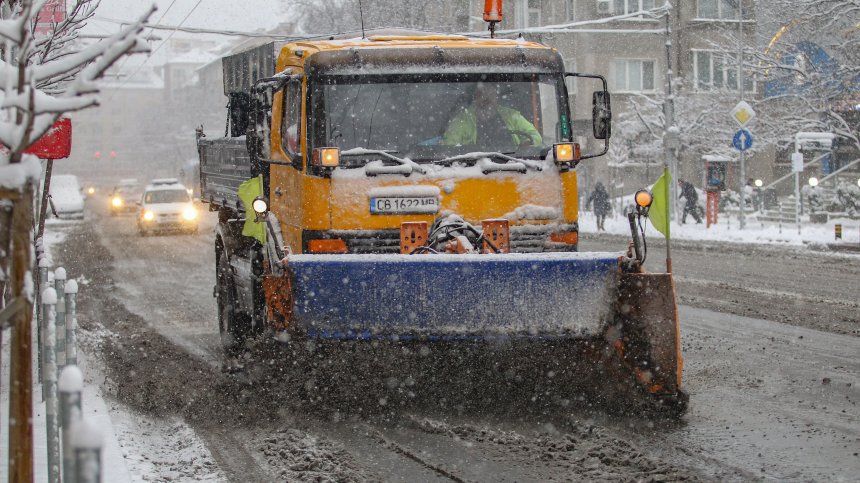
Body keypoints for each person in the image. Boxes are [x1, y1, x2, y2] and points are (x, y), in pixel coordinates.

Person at [442, 82, 542, 148]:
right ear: (476, 97)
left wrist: (527, 144)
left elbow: (535, 136)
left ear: (496, 97)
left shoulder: (511, 116)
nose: (487, 99)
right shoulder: (463, 120)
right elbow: (448, 146)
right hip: (474, 168)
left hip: (513, 164)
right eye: (482, 95)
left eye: (491, 94)